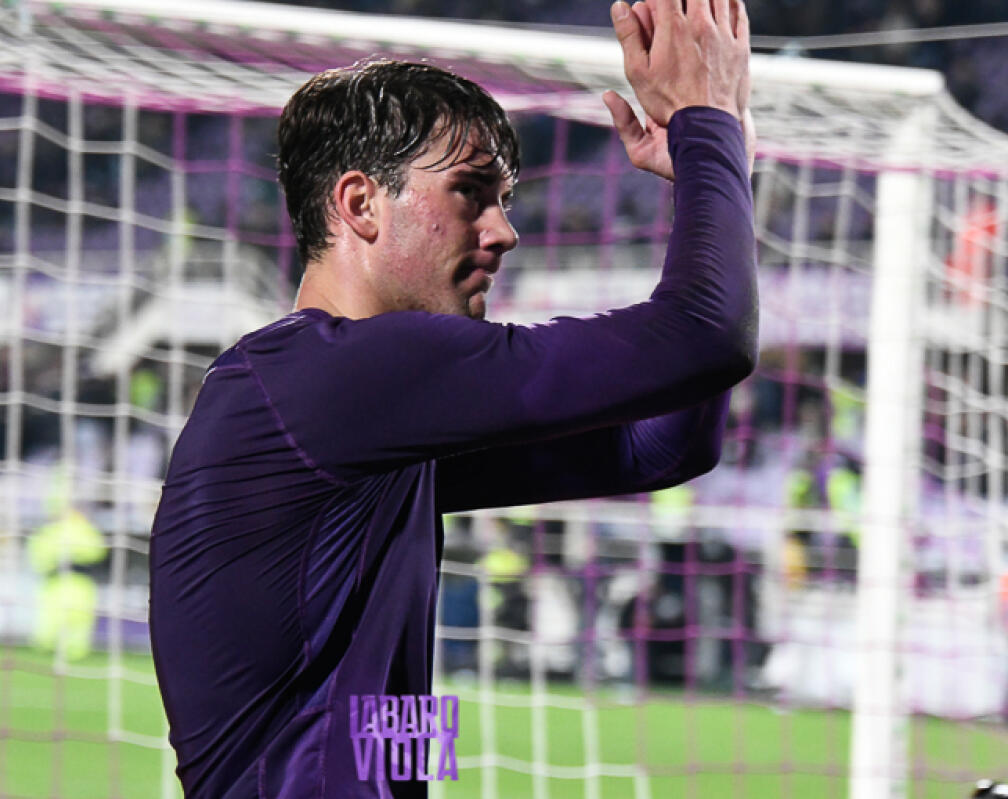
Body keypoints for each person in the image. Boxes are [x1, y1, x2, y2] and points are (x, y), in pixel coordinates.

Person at [149, 0, 756, 795]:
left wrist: (711, 168)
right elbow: (706, 335)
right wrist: (712, 133)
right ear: (360, 204)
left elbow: (665, 443)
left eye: (505, 199)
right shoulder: (334, 376)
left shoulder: (365, 430)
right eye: (472, 193)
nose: (504, 231)